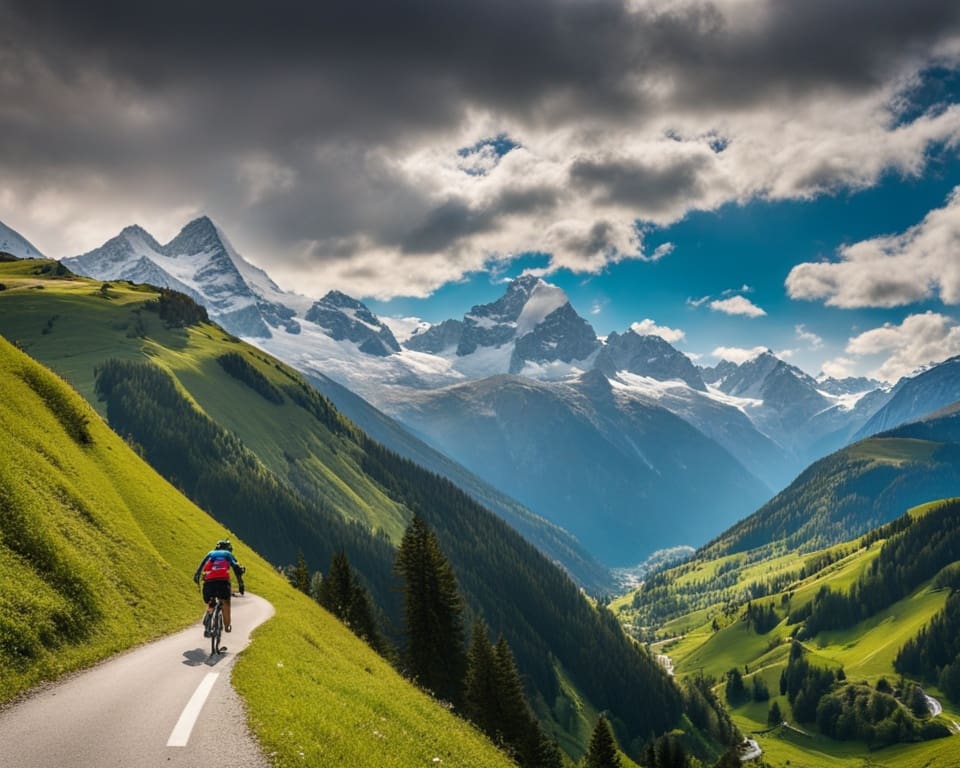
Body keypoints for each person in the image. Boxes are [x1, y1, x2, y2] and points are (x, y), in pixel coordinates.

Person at [193, 538, 245, 633]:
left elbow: (200, 568)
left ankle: (208, 614)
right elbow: (237, 570)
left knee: (210, 600)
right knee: (226, 602)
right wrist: (241, 585)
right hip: (223, 583)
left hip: (209, 583)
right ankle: (227, 626)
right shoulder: (228, 554)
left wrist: (197, 579)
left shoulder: (210, 553)